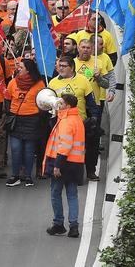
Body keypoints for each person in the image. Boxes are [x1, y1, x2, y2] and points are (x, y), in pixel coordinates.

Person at [44, 93, 85, 238]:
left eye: (60, 103)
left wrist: (57, 165)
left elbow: (65, 145)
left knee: (55, 193)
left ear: (68, 106)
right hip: (76, 164)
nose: (58, 104)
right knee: (72, 195)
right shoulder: (77, 118)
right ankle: (74, 226)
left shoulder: (66, 121)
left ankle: (58, 224)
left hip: (63, 163)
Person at [4, 59, 46, 186]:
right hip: (16, 119)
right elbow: (7, 99)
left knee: (29, 150)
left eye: (21, 67)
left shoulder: (39, 84)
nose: (18, 69)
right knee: (16, 149)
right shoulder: (13, 82)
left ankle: (28, 176)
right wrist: (10, 112)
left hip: (32, 119)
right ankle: (15, 175)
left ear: (28, 69)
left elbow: (43, 102)